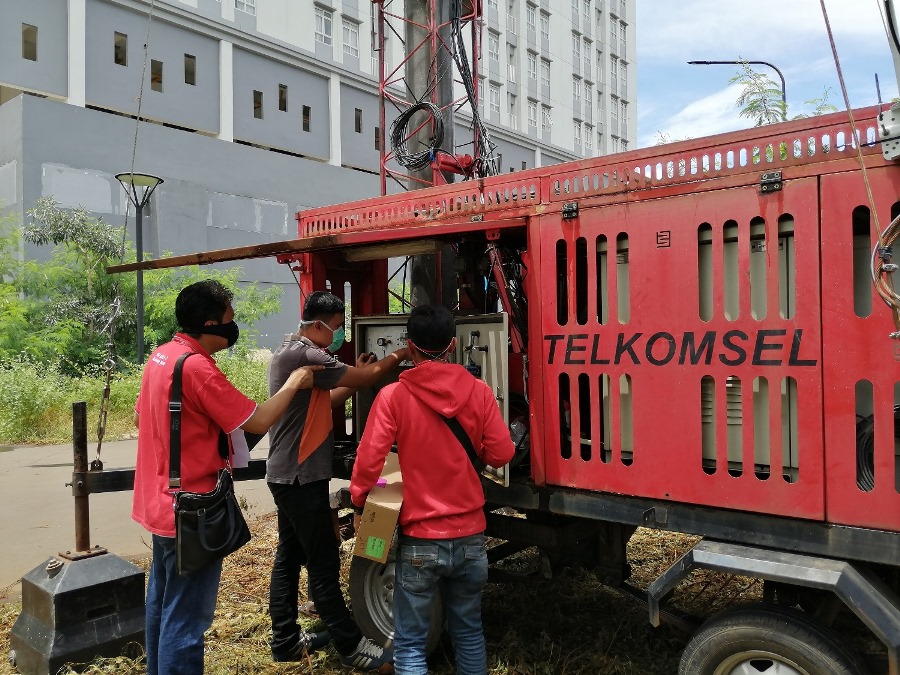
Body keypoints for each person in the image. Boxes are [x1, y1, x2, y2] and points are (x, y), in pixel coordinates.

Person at [132, 279, 323, 675]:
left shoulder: (162, 356)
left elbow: (141, 417)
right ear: (209, 323)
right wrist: (294, 383)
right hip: (191, 511)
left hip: (159, 504)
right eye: (229, 320)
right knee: (187, 619)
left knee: (162, 603)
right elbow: (259, 419)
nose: (233, 328)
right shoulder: (197, 367)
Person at [350, 305, 515, 675]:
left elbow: (370, 461)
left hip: (421, 540)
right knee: (469, 632)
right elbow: (502, 453)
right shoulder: (480, 392)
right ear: (453, 345)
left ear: (409, 347)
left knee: (409, 643)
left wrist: (361, 501)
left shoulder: (393, 396)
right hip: (471, 536)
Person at [266, 290, 409, 671]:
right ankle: (351, 646)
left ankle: (284, 640)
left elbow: (325, 400)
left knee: (290, 555)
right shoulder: (306, 353)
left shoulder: (292, 350)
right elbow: (372, 374)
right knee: (324, 560)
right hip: (300, 476)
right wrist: (400, 355)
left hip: (288, 474)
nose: (338, 333)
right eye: (335, 327)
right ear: (317, 324)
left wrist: (360, 375)